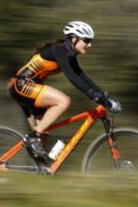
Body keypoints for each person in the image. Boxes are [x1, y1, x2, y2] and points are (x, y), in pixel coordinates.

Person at [8, 21, 121, 163]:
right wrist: (95, 97)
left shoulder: (69, 54)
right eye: (86, 41)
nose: (89, 45)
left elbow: (81, 76)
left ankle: (39, 169)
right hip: (22, 85)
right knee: (64, 101)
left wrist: (104, 95)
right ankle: (32, 137)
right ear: (74, 39)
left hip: (27, 87)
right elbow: (72, 77)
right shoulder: (59, 50)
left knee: (44, 133)